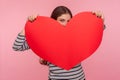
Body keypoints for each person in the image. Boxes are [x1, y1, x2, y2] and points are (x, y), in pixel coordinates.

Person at [12, 6, 105, 80]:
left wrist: (99, 19)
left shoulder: (76, 35)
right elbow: (17, 46)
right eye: (62, 20)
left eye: (69, 21)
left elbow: (96, 31)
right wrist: (28, 25)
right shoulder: (44, 38)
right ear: (53, 21)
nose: (66, 24)